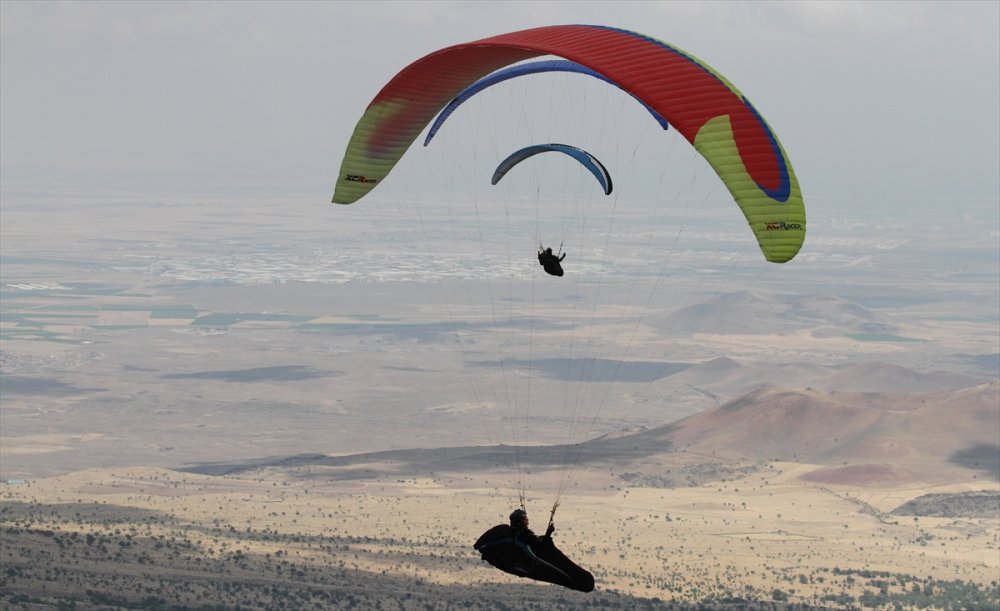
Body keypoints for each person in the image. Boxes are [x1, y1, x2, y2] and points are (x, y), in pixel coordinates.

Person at [473, 508, 594, 592]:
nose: (526, 521)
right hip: (535, 560)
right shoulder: (524, 534)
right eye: (524, 519)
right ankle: (582, 582)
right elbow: (540, 546)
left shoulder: (515, 533)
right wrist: (549, 532)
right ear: (520, 521)